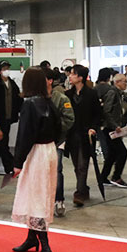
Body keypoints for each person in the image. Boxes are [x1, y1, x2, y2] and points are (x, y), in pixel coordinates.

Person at [10, 67, 60, 252]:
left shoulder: (30, 104)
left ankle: (45, 247)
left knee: (35, 196)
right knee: (42, 195)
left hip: (36, 153)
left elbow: (25, 135)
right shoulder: (49, 101)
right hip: (49, 150)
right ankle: (32, 238)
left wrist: (17, 162)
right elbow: (60, 127)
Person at [65, 65, 102, 207]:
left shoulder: (91, 94)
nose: (70, 76)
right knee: (77, 165)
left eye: (73, 74)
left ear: (80, 77)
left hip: (86, 134)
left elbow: (97, 114)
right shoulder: (68, 94)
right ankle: (84, 188)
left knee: (82, 164)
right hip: (72, 134)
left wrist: (93, 128)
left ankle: (79, 193)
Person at [48, 70, 74, 217]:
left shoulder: (61, 98)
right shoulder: (34, 99)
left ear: (50, 81)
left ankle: (58, 200)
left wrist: (55, 129)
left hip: (57, 141)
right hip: (39, 143)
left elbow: (69, 119)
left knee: (56, 170)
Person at [0, 60, 21, 175]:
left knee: (1, 142)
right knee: (3, 142)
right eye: (4, 69)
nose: (6, 70)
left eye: (8, 68)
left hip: (9, 117)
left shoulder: (12, 83)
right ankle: (10, 167)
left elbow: (18, 98)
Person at [100, 73, 127, 188]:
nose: (126, 83)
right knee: (122, 152)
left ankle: (103, 177)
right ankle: (116, 177)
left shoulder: (119, 94)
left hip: (114, 128)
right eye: (124, 81)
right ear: (117, 82)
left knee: (112, 154)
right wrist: (114, 125)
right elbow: (106, 111)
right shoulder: (112, 93)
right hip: (110, 129)